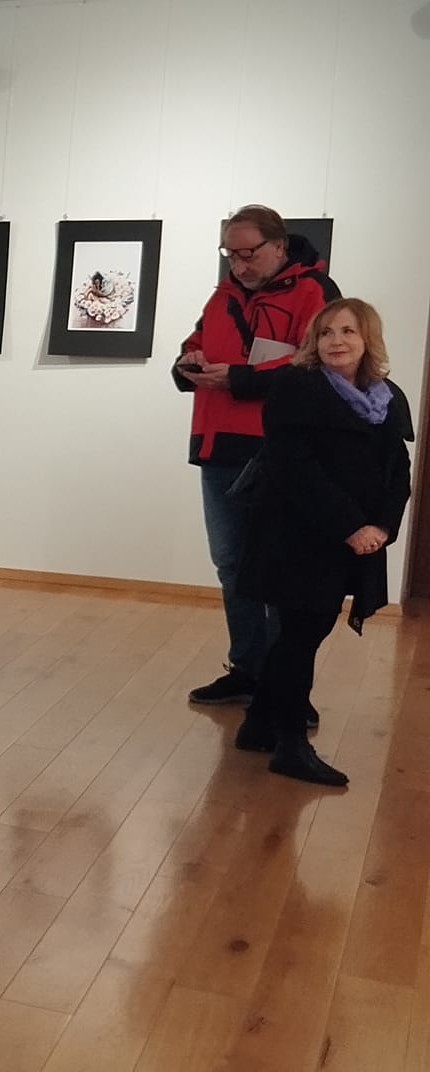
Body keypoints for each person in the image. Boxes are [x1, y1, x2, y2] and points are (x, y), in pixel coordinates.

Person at [234, 299, 412, 787]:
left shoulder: (386, 396)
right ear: (314, 340)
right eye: (327, 332)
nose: (337, 341)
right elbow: (296, 468)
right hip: (297, 535)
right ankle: (291, 745)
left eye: (348, 331)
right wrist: (352, 526)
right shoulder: (296, 386)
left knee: (304, 631)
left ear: (367, 339)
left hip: (353, 537)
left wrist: (383, 527)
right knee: (301, 632)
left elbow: (398, 469)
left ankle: (258, 724)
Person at [174, 205, 338, 709]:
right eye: (231, 254)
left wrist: (240, 378)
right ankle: (247, 669)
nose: (239, 264)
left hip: (280, 451)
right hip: (219, 446)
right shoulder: (223, 295)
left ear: (280, 246)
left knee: (282, 571)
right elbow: (195, 343)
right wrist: (188, 363)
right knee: (232, 565)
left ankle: (285, 687)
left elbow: (316, 363)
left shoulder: (315, 292)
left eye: (249, 253)